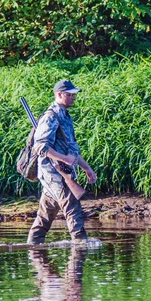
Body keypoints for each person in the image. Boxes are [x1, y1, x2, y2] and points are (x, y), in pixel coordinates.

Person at [26, 79, 97, 244]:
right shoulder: (51, 117)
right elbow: (40, 146)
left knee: (46, 214)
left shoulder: (64, 116)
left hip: (60, 173)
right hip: (53, 173)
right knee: (72, 207)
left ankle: (34, 247)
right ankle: (80, 245)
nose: (73, 97)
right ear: (59, 94)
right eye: (69, 94)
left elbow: (71, 149)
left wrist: (87, 169)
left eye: (74, 94)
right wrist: (64, 159)